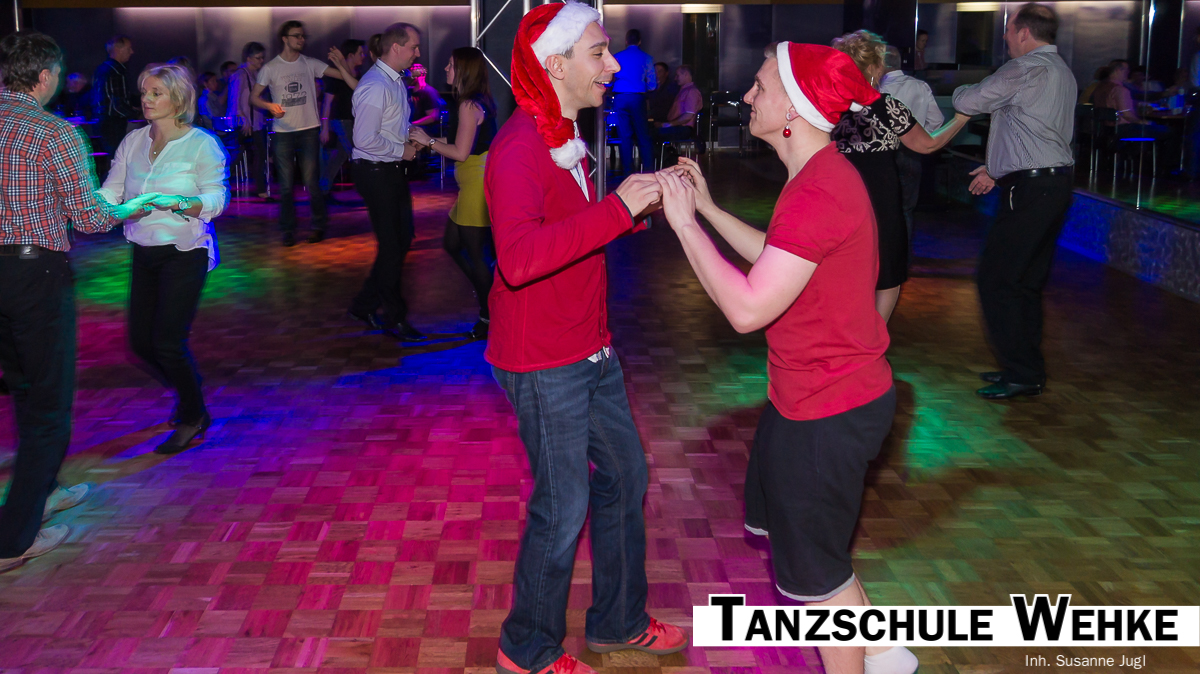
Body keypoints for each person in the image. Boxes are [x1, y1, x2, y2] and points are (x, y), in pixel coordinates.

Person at [656, 41, 919, 674]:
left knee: (819, 580)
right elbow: (783, 257)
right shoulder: (819, 174)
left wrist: (685, 225)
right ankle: (886, 654)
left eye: (761, 86)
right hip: (810, 397)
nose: (748, 96)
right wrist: (709, 210)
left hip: (829, 409)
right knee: (817, 554)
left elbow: (748, 309)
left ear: (794, 111)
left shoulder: (818, 190)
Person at [486, 5, 687, 674]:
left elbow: (570, 228)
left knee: (626, 476)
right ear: (556, 64)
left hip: (589, 346)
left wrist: (637, 209)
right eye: (599, 53)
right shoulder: (520, 146)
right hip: (544, 358)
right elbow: (519, 260)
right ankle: (527, 649)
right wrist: (617, 208)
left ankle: (618, 622)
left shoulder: (563, 133)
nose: (614, 65)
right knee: (563, 504)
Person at [0, 31, 160, 574]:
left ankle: (42, 491)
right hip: (34, 273)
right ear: (46, 76)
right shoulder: (54, 131)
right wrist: (138, 204)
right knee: (49, 406)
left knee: (24, 387)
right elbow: (90, 218)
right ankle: (13, 539)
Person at [99, 63, 228, 455]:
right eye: (144, 92)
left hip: (184, 251)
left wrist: (182, 202)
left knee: (168, 341)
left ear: (179, 98)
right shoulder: (133, 141)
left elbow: (217, 198)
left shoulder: (201, 144)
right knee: (141, 343)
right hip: (143, 248)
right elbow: (111, 191)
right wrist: (97, 206)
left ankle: (193, 414)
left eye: (156, 92)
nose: (147, 99)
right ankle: (191, 393)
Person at [952, 3, 1076, 400]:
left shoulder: (1025, 68)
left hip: (1034, 189)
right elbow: (1031, 130)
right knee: (1025, 283)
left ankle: (1022, 370)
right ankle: (1026, 370)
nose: (1005, 36)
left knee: (998, 279)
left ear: (1024, 32)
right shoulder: (1062, 70)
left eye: (1008, 29)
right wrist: (996, 169)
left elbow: (969, 101)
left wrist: (959, 91)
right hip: (1052, 183)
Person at [831, 30, 969, 322]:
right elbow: (927, 144)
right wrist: (962, 118)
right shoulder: (886, 107)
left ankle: (844, 330)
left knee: (841, 267)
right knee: (887, 272)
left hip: (837, 197)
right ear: (873, 67)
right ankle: (873, 335)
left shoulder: (825, 106)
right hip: (879, 198)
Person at [408, 48, 497, 341]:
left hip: (476, 185)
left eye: (450, 64)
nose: (446, 69)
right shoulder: (473, 100)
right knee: (452, 243)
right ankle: (491, 293)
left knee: (476, 254)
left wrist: (429, 141)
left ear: (464, 70)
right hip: (473, 183)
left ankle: (489, 315)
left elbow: (460, 152)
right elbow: (464, 141)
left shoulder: (468, 105)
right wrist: (427, 141)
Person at [347, 23, 427, 342]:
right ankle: (395, 318)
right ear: (396, 47)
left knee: (401, 239)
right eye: (413, 47)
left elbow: (389, 127)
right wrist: (401, 150)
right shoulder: (376, 85)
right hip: (375, 171)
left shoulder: (394, 81)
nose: (417, 53)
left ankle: (364, 305)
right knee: (393, 246)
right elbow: (364, 138)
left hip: (389, 169)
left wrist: (409, 137)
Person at [251, 20, 359, 246]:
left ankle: (318, 226)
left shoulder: (310, 63)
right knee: (286, 186)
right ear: (285, 39)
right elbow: (254, 97)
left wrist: (341, 62)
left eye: (302, 36)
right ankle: (288, 230)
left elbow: (345, 77)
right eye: (297, 36)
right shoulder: (270, 68)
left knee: (312, 183)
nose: (301, 39)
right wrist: (269, 106)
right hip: (283, 132)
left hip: (309, 130)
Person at [879, 45, 945, 246]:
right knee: (906, 209)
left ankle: (884, 257)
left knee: (880, 207)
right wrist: (917, 137)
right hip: (912, 153)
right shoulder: (920, 86)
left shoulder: (877, 89)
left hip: (883, 155)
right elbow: (937, 120)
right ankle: (903, 258)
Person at [320, 38, 366, 199]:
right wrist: (325, 127)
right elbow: (327, 102)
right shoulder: (336, 75)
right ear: (351, 55)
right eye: (360, 53)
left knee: (339, 156)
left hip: (351, 120)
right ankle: (366, 191)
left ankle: (322, 190)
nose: (363, 56)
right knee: (356, 153)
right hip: (340, 121)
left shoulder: (357, 75)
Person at [612, 28, 657, 175]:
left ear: (626, 41)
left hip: (620, 96)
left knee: (625, 136)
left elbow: (609, 79)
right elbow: (652, 84)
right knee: (643, 135)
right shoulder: (647, 58)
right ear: (640, 41)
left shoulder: (617, 57)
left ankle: (627, 173)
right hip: (638, 97)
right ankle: (649, 171)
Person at [227, 42, 268, 199]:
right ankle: (261, 191)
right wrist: (243, 118)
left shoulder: (254, 74)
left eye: (262, 58)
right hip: (246, 123)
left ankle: (261, 190)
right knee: (250, 155)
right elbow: (234, 98)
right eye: (258, 58)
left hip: (255, 122)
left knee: (255, 155)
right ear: (249, 58)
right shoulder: (240, 74)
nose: (261, 61)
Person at [1097, 60, 1170, 141]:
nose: (1128, 72)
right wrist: (1142, 122)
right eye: (1126, 70)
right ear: (1118, 70)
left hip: (1105, 129)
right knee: (1168, 131)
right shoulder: (1120, 90)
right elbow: (1127, 115)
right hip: (1123, 129)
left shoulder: (1100, 87)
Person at [92, 35, 137, 158]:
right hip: (113, 124)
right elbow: (117, 105)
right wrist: (138, 114)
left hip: (103, 121)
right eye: (129, 49)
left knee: (112, 157)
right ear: (118, 49)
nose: (132, 52)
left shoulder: (102, 69)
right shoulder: (116, 71)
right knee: (118, 158)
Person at [652, 65, 703, 155]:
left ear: (686, 74)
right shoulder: (683, 91)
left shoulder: (691, 92)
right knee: (650, 131)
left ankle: (663, 158)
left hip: (683, 129)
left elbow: (688, 116)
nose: (675, 78)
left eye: (677, 75)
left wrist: (667, 125)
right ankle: (665, 157)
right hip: (677, 126)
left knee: (651, 134)